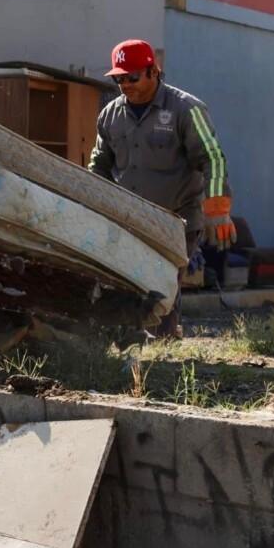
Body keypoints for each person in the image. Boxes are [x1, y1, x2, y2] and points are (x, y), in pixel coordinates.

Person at [88, 39, 235, 336]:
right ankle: (128, 341)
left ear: (153, 71)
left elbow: (213, 158)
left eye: (132, 77)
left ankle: (162, 346)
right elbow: (99, 164)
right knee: (124, 281)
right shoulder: (110, 116)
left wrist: (217, 208)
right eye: (118, 78)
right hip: (129, 217)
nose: (124, 84)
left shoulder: (186, 109)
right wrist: (91, 204)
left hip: (176, 219)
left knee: (161, 282)